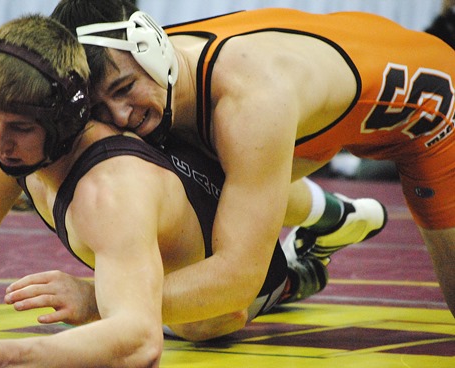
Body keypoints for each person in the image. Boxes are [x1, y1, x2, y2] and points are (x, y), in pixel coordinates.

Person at [0, 13, 343, 367]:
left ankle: (315, 244)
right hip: (198, 197)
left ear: (63, 120)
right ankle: (333, 215)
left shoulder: (110, 191)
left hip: (225, 294)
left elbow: (138, 339)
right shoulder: (22, 143)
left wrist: (6, 354)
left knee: (200, 323)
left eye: (18, 127)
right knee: (243, 187)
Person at [50, 0, 455, 319]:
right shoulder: (146, 58)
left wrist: (99, 302)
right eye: (101, 109)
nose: (120, 116)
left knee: (211, 299)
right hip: (352, 52)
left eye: (124, 89)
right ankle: (335, 217)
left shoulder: (249, 103)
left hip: (433, 113)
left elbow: (238, 278)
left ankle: (324, 226)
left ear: (153, 47)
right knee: (223, 170)